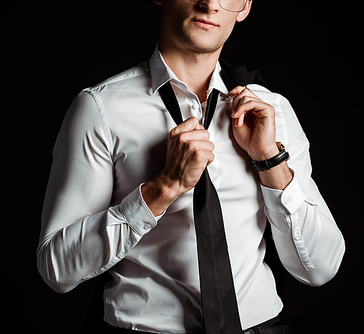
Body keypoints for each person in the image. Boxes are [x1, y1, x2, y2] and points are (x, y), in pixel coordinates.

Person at [37, 0, 345, 333]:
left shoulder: (273, 112)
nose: (210, 4)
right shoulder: (101, 109)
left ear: (244, 7)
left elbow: (320, 268)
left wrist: (269, 159)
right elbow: (57, 270)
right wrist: (162, 188)